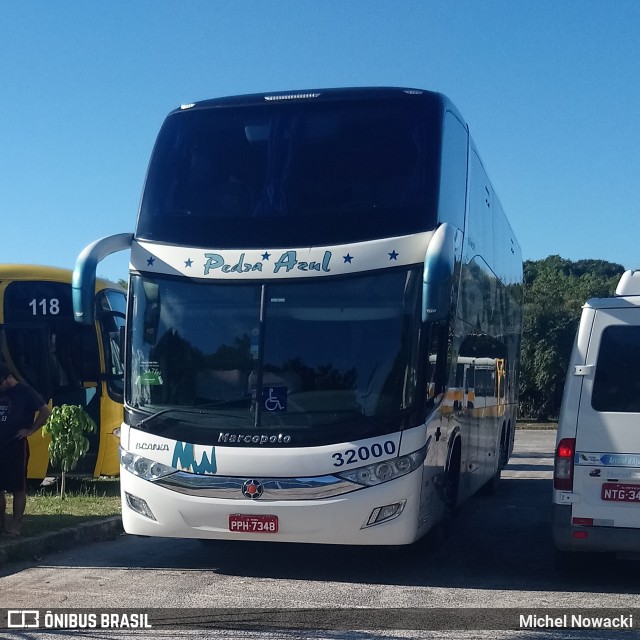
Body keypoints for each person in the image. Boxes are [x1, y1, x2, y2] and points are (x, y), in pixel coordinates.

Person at [0, 363, 51, 536]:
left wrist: (31, 430)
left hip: (15, 446)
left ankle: (15, 525)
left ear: (8, 378)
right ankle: (2, 524)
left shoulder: (26, 392)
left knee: (17, 488)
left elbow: (45, 411)